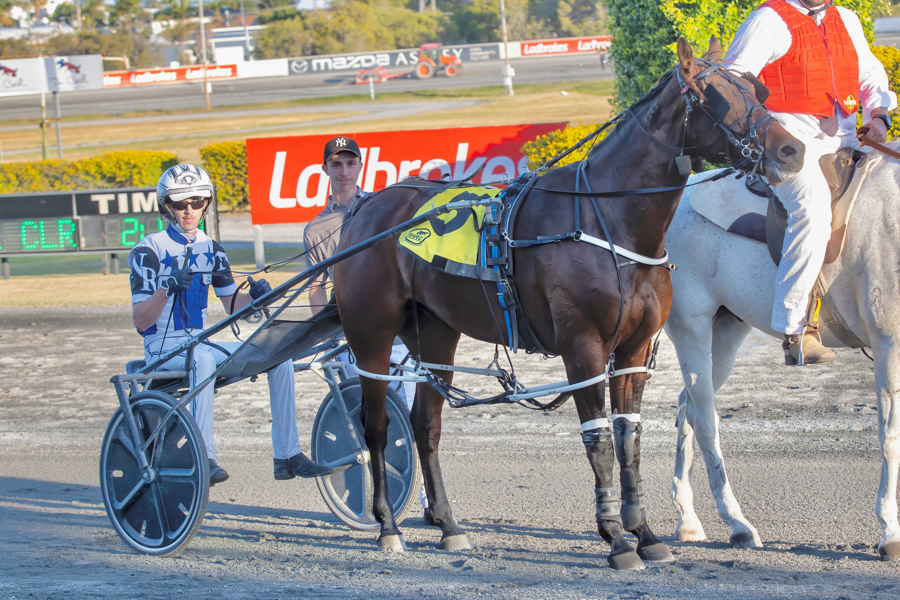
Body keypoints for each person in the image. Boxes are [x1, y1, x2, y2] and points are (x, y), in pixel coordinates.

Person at [129, 164, 333, 486]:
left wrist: (257, 299)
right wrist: (166, 287)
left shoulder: (212, 249)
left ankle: (287, 455)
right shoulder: (147, 250)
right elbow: (141, 321)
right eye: (181, 203)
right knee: (202, 358)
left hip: (200, 344)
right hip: (162, 349)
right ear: (167, 206)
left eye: (197, 202)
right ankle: (204, 457)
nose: (189, 210)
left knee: (278, 354)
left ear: (206, 204)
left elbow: (233, 307)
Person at [723, 0, 897, 365]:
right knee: (814, 211)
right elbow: (731, 83)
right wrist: (767, 132)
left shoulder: (846, 19)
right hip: (787, 149)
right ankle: (796, 329)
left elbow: (869, 76)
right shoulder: (768, 20)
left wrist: (879, 117)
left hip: (847, 143)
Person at [303, 136, 417, 408]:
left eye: (350, 163)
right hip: (351, 340)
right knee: (366, 417)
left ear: (360, 166)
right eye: (336, 164)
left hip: (398, 334)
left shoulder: (383, 207)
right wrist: (327, 339)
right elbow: (316, 286)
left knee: (409, 417)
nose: (344, 171)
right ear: (325, 169)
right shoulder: (314, 230)